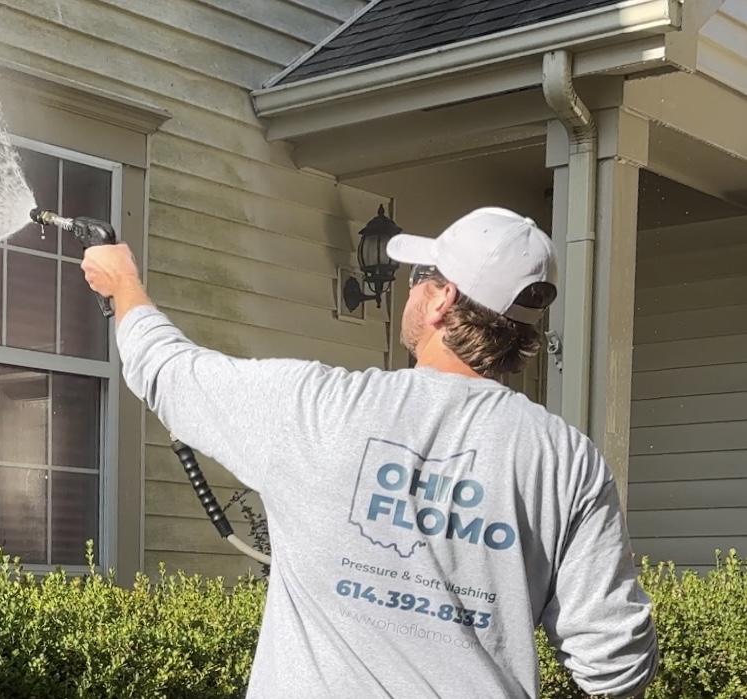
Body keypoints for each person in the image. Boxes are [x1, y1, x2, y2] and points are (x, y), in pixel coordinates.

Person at [80, 207, 656, 699]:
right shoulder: (565, 460)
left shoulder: (320, 408)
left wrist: (124, 283)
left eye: (422, 276)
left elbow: (169, 372)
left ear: (442, 300)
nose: (411, 287)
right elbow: (616, 664)